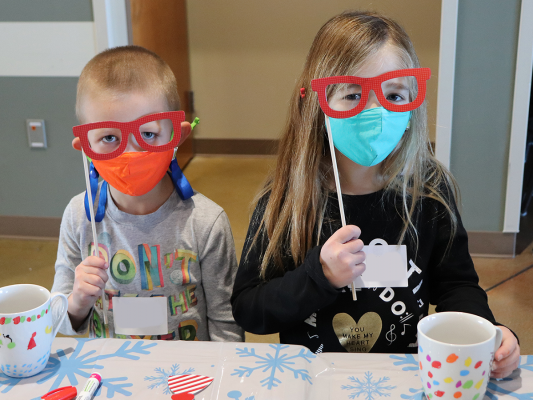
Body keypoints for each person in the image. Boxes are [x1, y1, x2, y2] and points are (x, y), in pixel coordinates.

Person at [231, 11, 519, 377]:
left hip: (402, 378)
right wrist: (318, 276)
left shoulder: (429, 191)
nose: (376, 111)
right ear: (317, 104)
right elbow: (250, 308)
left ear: (413, 99)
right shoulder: (286, 201)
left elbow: (457, 286)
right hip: (314, 381)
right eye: (353, 94)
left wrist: (487, 332)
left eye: (394, 94)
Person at [52, 45, 243, 342]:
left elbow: (226, 323)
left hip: (189, 378)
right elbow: (58, 321)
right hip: (110, 376)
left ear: (176, 135)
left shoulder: (206, 222)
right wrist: (76, 302)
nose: (131, 152)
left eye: (148, 134)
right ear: (85, 147)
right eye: (110, 137)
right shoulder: (79, 217)